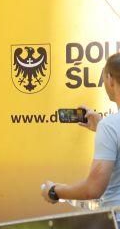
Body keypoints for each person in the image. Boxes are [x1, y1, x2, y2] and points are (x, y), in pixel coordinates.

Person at [42, 53, 120, 208]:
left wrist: (54, 191)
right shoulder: (108, 127)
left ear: (110, 80)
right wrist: (103, 128)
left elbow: (92, 189)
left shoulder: (110, 126)